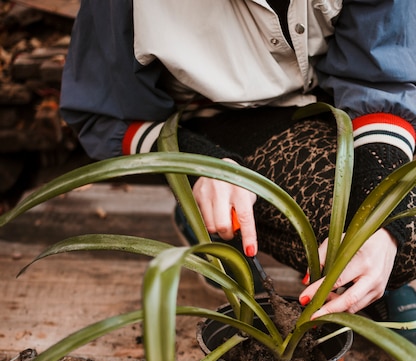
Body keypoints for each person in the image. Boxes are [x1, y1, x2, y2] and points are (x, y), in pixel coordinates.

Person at [60, 0, 416, 340]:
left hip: (338, 101)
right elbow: (102, 112)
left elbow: (383, 76)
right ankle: (209, 205)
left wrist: (376, 218)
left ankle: (371, 274)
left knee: (401, 231)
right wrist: (202, 163)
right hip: (220, 117)